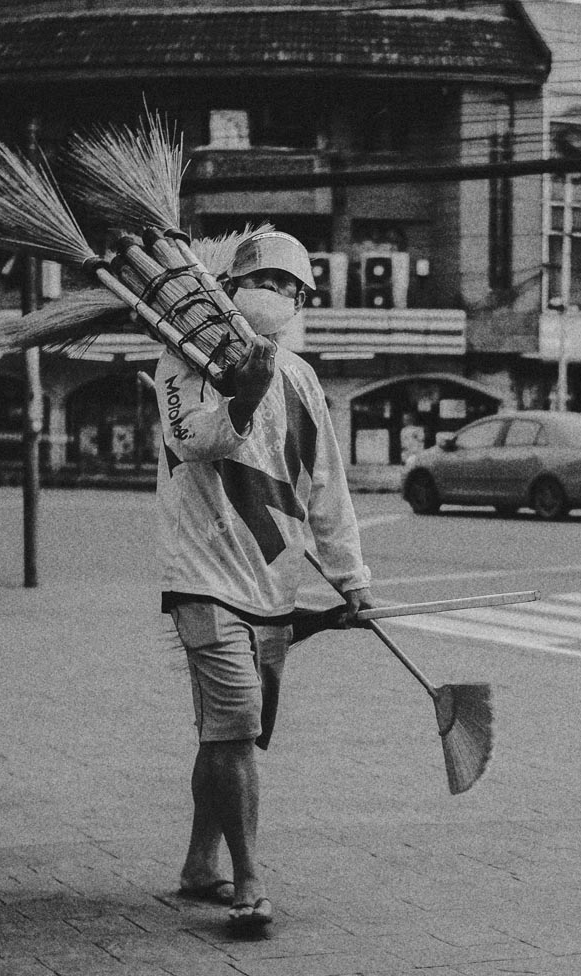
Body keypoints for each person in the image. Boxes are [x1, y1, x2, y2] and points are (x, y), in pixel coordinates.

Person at [155, 230, 374, 930]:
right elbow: (194, 440)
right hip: (202, 573)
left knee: (227, 735)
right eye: (266, 283)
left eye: (291, 288)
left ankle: (199, 866)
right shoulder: (183, 358)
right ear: (230, 287)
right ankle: (248, 883)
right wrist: (243, 395)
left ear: (305, 300)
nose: (277, 296)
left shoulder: (304, 380)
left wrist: (351, 579)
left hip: (272, 580)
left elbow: (326, 487)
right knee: (238, 729)